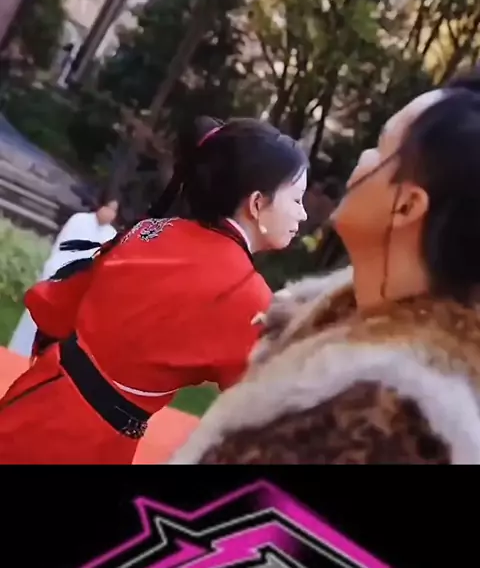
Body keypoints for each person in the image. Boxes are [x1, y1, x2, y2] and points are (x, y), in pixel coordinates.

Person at [170, 68, 480, 465]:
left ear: (406, 206)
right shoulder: (341, 336)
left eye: (381, 148)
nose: (363, 159)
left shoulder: (382, 420)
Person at [0, 116, 308, 464]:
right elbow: (263, 405)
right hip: (82, 441)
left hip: (41, 397)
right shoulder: (247, 293)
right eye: (297, 200)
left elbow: (60, 304)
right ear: (257, 204)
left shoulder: (156, 230)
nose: (303, 215)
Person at [8, 192, 119, 358]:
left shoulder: (111, 235)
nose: (109, 214)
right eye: (108, 208)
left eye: (114, 211)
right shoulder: (79, 220)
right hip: (56, 277)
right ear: (100, 206)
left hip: (76, 289)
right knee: (34, 320)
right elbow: (60, 248)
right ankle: (16, 353)